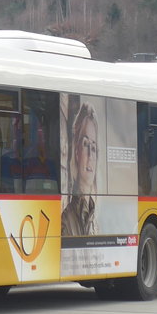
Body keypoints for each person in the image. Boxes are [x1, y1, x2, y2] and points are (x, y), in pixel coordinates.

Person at [62, 101, 99, 237]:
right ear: (77, 152)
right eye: (85, 144)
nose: (90, 155)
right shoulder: (66, 221)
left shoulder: (94, 221)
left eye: (93, 147)